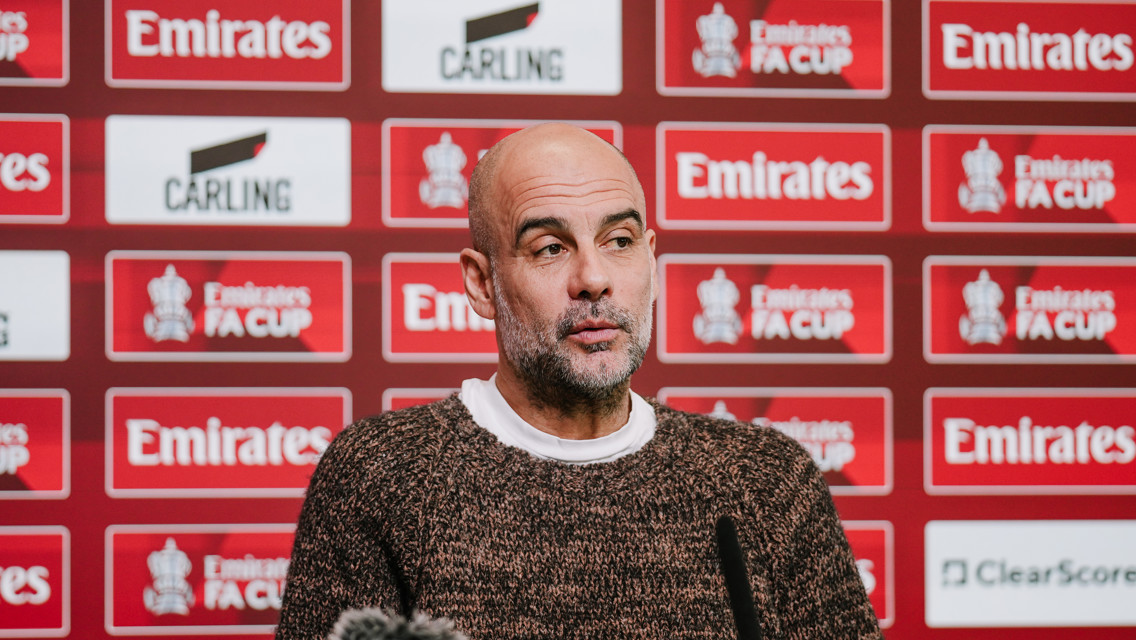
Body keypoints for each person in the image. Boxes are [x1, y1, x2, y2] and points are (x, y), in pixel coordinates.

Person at [275, 123, 881, 639]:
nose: (593, 278)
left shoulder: (766, 479)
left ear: (651, 259)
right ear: (482, 284)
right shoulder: (381, 476)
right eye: (549, 248)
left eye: (618, 242)